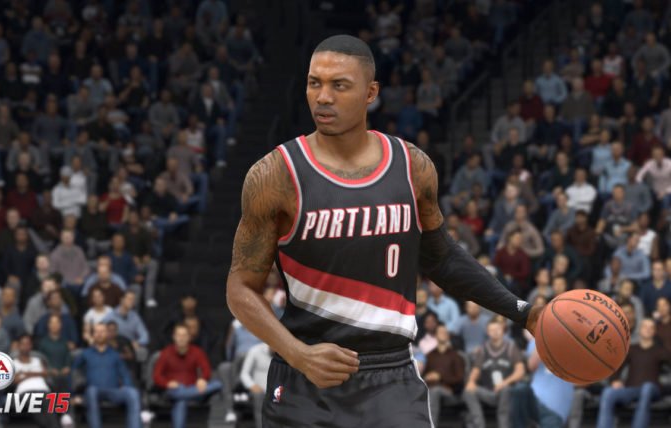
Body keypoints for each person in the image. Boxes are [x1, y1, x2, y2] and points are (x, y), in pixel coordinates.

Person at [225, 35, 541, 427]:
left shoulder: (413, 167)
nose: (323, 97)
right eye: (314, 83)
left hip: (391, 378)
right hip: (304, 379)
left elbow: (441, 258)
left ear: (371, 93)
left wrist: (523, 312)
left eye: (339, 85)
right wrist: (297, 354)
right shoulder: (274, 176)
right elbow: (240, 288)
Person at [597, 318, 671, 428]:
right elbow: (616, 367)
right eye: (645, 326)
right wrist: (615, 380)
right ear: (640, 330)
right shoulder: (631, 349)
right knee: (608, 392)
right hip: (632, 389)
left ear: (654, 331)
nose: (648, 329)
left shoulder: (660, 350)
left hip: (652, 389)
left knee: (646, 387)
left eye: (651, 327)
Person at [153, 323, 222, 428]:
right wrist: (167, 383)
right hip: (174, 391)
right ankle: (185, 393)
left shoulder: (197, 352)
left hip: (193, 388)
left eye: (184, 335)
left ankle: (185, 393)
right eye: (178, 335)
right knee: (180, 397)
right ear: (174, 337)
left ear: (189, 337)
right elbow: (157, 376)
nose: (181, 338)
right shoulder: (166, 353)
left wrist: (202, 379)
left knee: (217, 384)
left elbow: (206, 370)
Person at [73, 323, 141, 428]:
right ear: (93, 335)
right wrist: (74, 394)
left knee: (133, 393)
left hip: (113, 391)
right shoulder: (85, 354)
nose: (99, 334)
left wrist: (127, 386)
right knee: (91, 391)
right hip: (94, 391)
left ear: (107, 334)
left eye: (102, 331)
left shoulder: (115, 355)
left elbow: (125, 374)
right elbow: (73, 372)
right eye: (97, 332)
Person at [462, 318, 525, 428]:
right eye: (492, 330)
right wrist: (471, 381)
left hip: (507, 391)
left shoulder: (511, 347)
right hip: (490, 392)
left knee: (506, 390)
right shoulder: (483, 349)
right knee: (468, 391)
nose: (495, 332)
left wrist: (504, 383)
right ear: (487, 332)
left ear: (503, 330)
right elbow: (476, 369)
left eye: (497, 329)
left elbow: (520, 371)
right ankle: (479, 425)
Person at [510, 337, 574, 428]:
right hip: (535, 399)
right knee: (520, 389)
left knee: (551, 421)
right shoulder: (535, 342)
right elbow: (531, 366)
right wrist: (542, 338)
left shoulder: (574, 342)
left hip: (555, 408)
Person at [12, 334, 60, 428]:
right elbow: (14, 380)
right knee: (37, 404)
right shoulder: (13, 363)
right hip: (25, 393)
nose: (25, 346)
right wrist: (37, 373)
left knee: (48, 404)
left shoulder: (38, 360)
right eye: (23, 344)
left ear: (31, 346)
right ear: (18, 346)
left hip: (43, 390)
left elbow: (46, 373)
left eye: (28, 344)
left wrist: (25, 374)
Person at [423, 324, 465, 426]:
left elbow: (460, 379)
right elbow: (423, 376)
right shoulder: (430, 355)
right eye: (440, 332)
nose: (443, 334)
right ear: (435, 335)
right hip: (430, 389)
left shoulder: (455, 356)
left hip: (450, 392)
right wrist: (427, 377)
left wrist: (440, 377)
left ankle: (431, 426)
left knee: (435, 391)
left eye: (445, 332)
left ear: (448, 336)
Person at [240, 342, 273, 428]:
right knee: (260, 403)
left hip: (276, 390)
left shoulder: (284, 354)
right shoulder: (255, 351)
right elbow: (244, 374)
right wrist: (252, 385)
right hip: (258, 389)